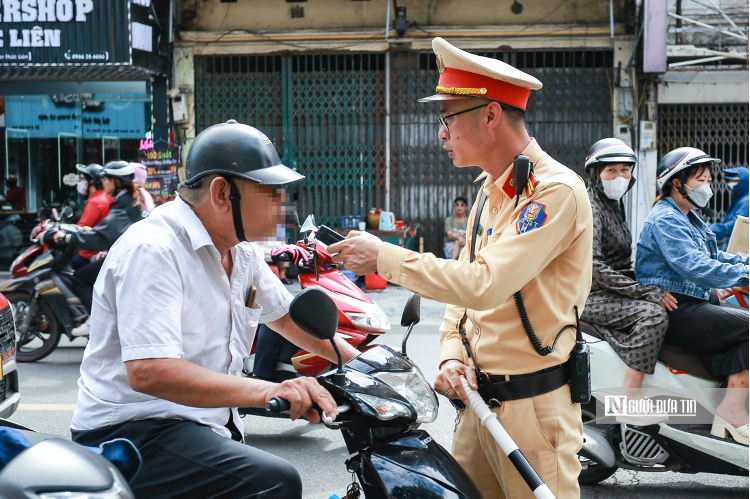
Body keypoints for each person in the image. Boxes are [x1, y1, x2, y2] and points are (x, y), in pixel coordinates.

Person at [328, 38, 592, 498]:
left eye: (446, 119)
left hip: (531, 411)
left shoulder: (554, 193)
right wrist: (452, 353)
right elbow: (461, 295)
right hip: (475, 407)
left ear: (490, 116)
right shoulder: (490, 191)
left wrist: (383, 257)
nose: (441, 134)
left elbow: (485, 284)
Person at [68, 120, 359, 498]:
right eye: (271, 192)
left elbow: (286, 316)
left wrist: (366, 367)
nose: (282, 205)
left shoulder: (241, 251)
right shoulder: (154, 250)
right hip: (130, 433)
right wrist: (270, 389)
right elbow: (150, 372)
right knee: (275, 481)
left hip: (198, 426)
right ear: (223, 194)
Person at [635, 147, 749, 446]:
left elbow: (716, 256)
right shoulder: (666, 219)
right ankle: (732, 408)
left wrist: (745, 263)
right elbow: (694, 266)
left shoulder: (689, 218)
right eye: (701, 179)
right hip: (678, 308)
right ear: (676, 182)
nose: (707, 186)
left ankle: (726, 405)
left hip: (695, 301)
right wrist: (744, 276)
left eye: (709, 179)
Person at [579, 139, 675, 425]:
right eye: (611, 170)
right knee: (653, 315)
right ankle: (629, 398)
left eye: (625, 170)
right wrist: (644, 291)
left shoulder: (613, 204)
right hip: (589, 295)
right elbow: (594, 267)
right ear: (596, 174)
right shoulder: (592, 207)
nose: (620, 177)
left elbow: (621, 263)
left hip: (610, 291)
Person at [42, 161, 146, 336]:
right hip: (127, 254)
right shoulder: (127, 199)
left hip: (126, 257)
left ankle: (96, 320)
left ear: (117, 181)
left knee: (81, 278)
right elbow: (107, 230)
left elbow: (100, 237)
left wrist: (67, 237)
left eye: (106, 178)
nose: (103, 181)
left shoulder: (121, 204)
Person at [72, 164, 113, 270]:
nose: (81, 183)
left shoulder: (94, 202)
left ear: (91, 181)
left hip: (89, 253)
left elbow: (81, 227)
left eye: (82, 179)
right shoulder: (105, 196)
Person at [709, 167, 749, 250]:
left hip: (737, 245)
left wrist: (713, 229)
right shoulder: (738, 199)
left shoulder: (747, 201)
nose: (730, 183)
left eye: (734, 181)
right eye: (729, 181)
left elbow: (737, 224)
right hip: (729, 241)